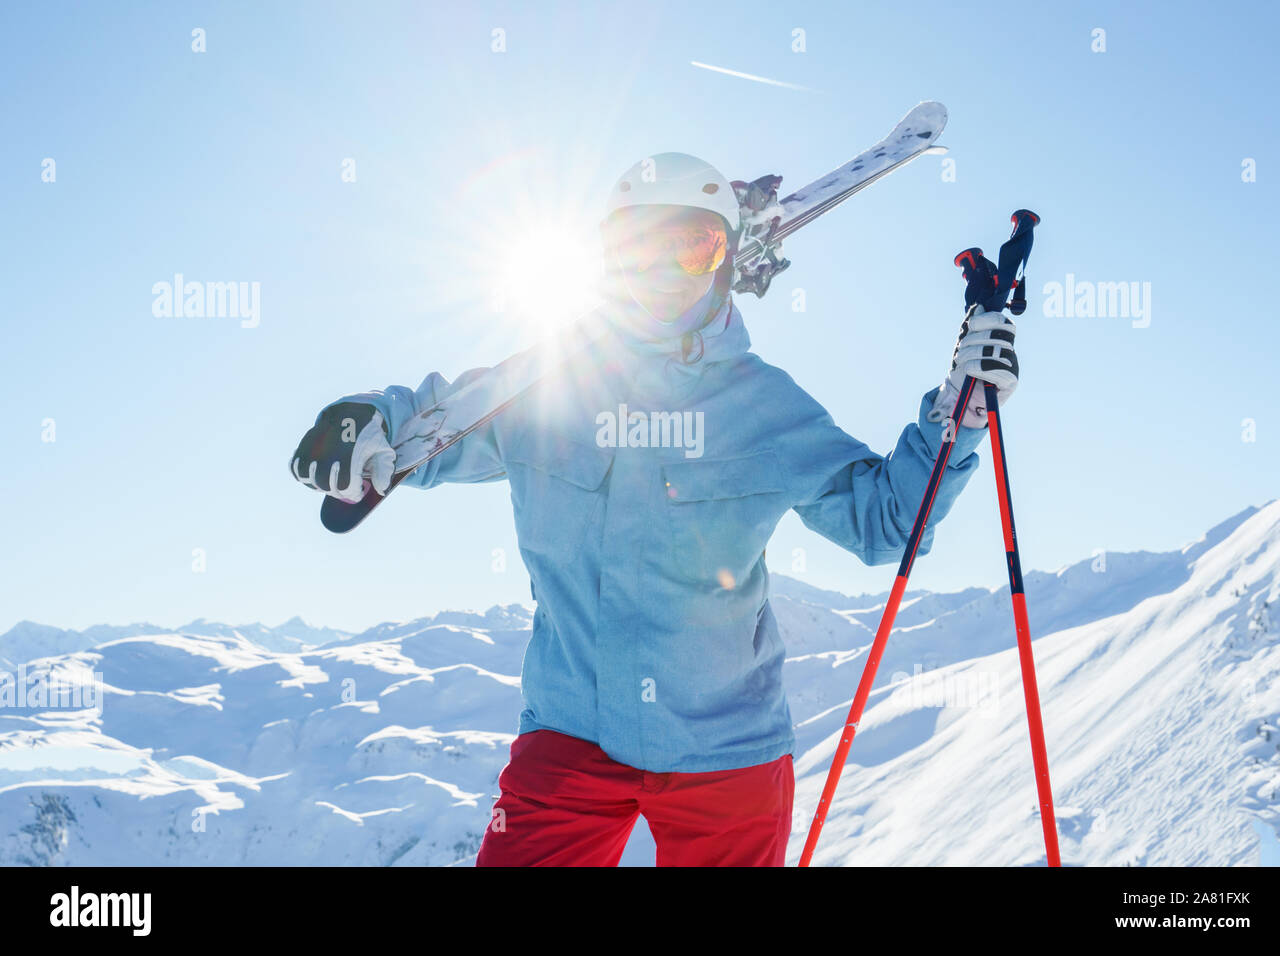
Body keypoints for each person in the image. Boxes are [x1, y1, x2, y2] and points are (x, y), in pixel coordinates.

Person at [289, 152, 1019, 866]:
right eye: (639, 252)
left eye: (693, 249)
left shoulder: (765, 408)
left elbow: (885, 522)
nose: (664, 276)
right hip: (570, 737)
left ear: (727, 259)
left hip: (726, 752)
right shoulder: (543, 386)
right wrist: (365, 421)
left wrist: (958, 414)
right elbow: (431, 423)